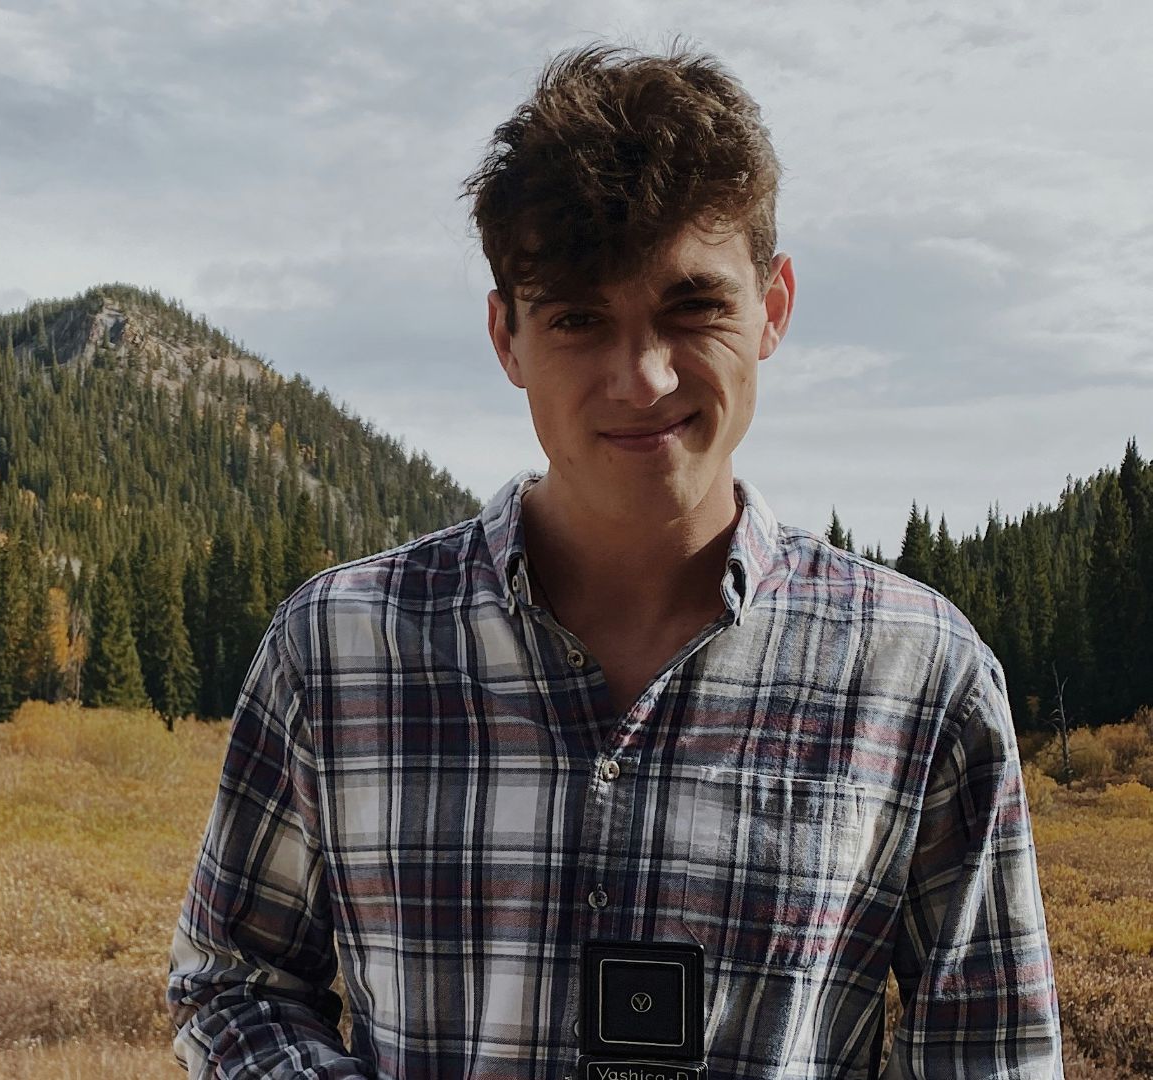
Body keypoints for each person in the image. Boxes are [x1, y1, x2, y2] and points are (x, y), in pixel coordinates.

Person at [165, 39, 1064, 1080]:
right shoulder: (336, 649)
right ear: (507, 337)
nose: (642, 378)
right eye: (580, 318)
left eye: (694, 307)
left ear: (772, 307)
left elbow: (991, 1055)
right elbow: (234, 981)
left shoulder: (921, 677)